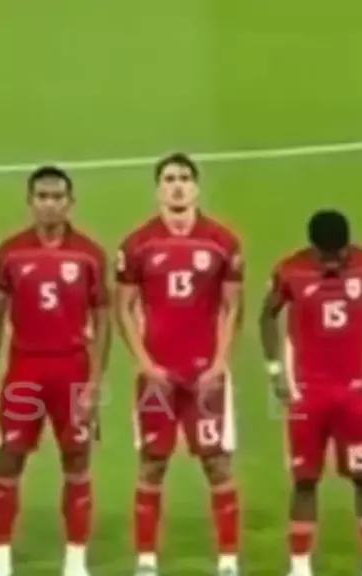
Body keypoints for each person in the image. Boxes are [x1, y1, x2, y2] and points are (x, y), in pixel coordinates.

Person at [115, 153, 243, 576]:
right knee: (152, 463)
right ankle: (146, 560)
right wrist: (145, 364)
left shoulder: (222, 241)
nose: (177, 185)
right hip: (157, 376)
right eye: (169, 178)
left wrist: (220, 363)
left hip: (205, 373)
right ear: (158, 189)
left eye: (185, 178)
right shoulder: (137, 245)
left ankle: (228, 560)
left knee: (217, 462)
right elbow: (123, 308)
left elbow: (233, 307)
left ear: (196, 187)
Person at [259, 210, 362, 576]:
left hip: (357, 392)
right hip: (307, 394)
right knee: (304, 479)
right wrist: (275, 369)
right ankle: (300, 567)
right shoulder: (290, 270)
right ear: (313, 249)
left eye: (340, 254)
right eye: (326, 255)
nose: (334, 261)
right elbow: (267, 314)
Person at [0, 167, 111, 576]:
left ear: (70, 202)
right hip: (24, 371)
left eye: (57, 196)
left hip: (72, 370)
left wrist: (94, 384)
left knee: (76, 462)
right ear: (30, 202)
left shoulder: (89, 254)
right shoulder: (10, 253)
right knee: (7, 461)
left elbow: (103, 321)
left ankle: (75, 561)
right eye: (42, 197)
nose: (50, 204)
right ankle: (1, 558)